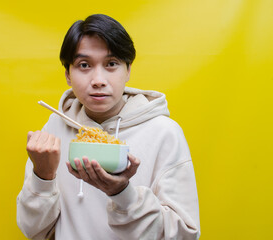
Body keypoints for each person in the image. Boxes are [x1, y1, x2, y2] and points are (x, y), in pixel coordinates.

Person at [16, 14, 200, 240]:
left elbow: (184, 235)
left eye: (111, 64)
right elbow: (32, 229)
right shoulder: (54, 128)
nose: (98, 80)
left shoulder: (164, 133)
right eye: (84, 65)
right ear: (67, 74)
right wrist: (42, 177)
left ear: (128, 70)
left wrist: (123, 193)